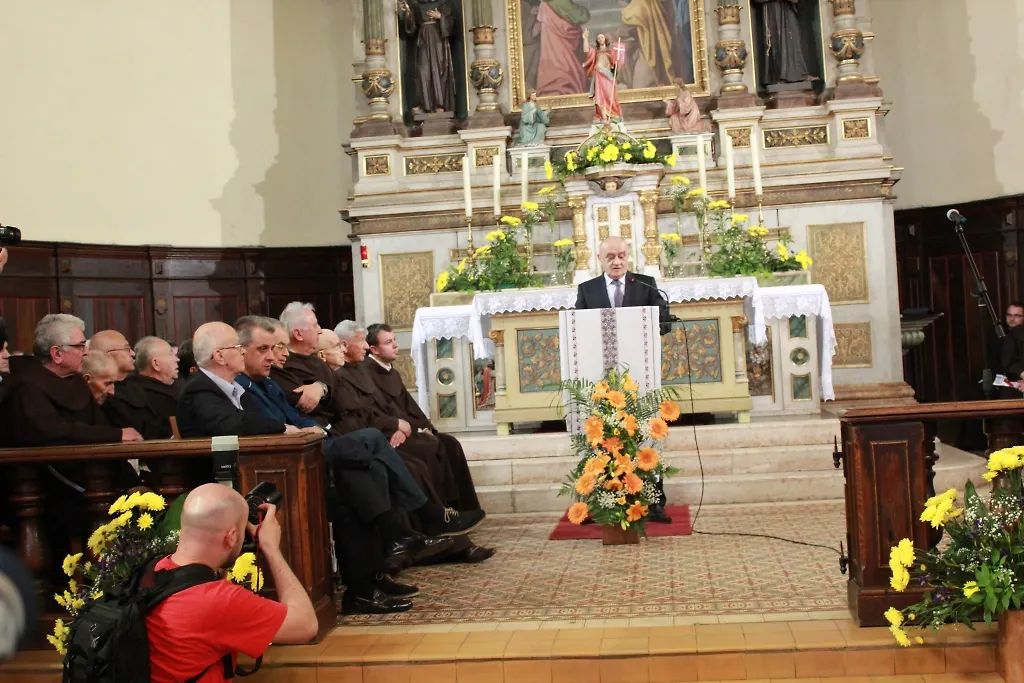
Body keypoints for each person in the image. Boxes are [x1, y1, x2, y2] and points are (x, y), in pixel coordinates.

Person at [146, 484, 318, 682]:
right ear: (231, 537)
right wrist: (271, 548)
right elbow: (306, 625)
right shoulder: (218, 601)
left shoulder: (154, 571)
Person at [359, 322, 496, 564]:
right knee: (425, 456)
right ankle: (443, 532)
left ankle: (460, 511)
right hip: (387, 437)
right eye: (389, 342)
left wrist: (424, 427)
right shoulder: (365, 373)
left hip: (404, 430)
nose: (395, 345)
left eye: (394, 339)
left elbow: (408, 408)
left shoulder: (391, 371)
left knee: (448, 443)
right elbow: (373, 413)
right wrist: (396, 427)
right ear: (373, 349)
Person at [574, 236, 672, 523]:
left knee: (647, 433)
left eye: (622, 256)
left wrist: (660, 319)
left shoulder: (644, 284)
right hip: (601, 377)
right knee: (601, 436)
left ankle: (654, 502)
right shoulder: (587, 290)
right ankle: (598, 501)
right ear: (600, 259)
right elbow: (579, 329)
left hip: (640, 375)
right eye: (611, 257)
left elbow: (663, 324)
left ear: (628, 257)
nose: (617, 262)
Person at [0, 314, 142, 446]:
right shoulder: (26, 385)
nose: (86, 352)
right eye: (80, 346)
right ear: (57, 354)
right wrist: (115, 434)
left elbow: (100, 425)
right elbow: (46, 430)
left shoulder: (76, 381)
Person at [176, 322, 303, 438]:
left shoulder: (232, 387)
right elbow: (234, 423)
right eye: (237, 347)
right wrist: (284, 428)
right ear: (220, 356)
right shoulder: (199, 391)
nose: (243, 351)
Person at [398, 0, 457, 113]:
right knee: (422, 70)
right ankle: (423, 103)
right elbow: (412, 28)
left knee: (438, 69)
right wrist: (408, 13)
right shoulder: (417, 6)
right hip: (423, 39)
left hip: (437, 39)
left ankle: (440, 103)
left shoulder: (442, 4)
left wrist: (440, 16)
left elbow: (452, 24)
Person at [582, 31, 622, 122]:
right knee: (600, 97)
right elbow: (586, 50)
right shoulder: (595, 52)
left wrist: (617, 63)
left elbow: (615, 63)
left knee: (610, 95)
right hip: (599, 76)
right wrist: (585, 38)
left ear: (605, 39)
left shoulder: (610, 52)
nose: (600, 39)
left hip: (608, 76)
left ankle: (613, 114)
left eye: (602, 37)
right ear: (597, 41)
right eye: (598, 38)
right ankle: (604, 117)